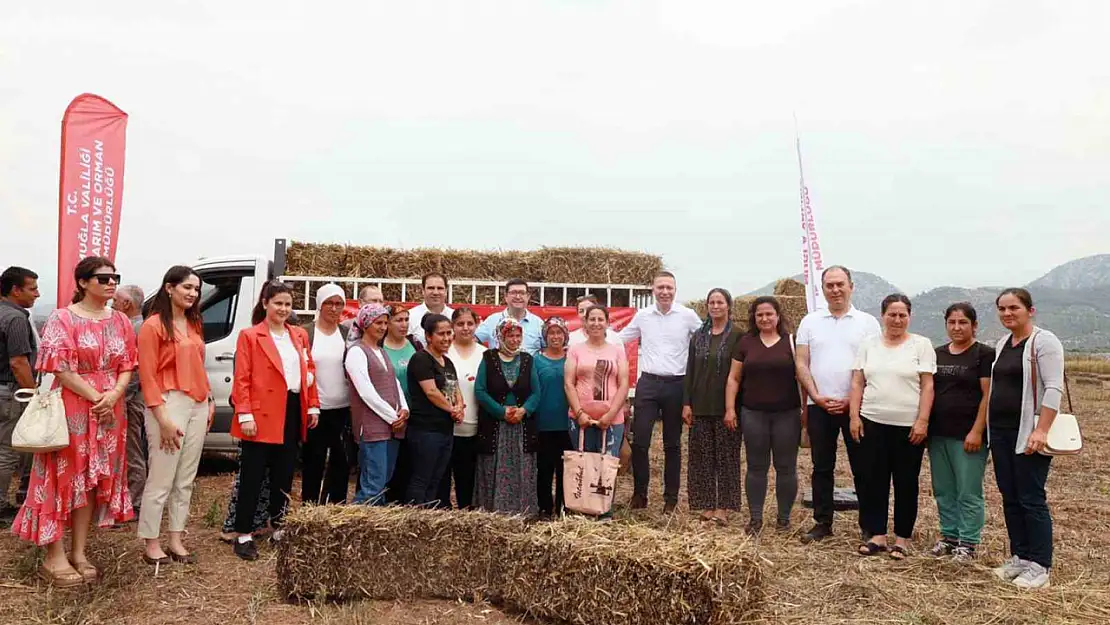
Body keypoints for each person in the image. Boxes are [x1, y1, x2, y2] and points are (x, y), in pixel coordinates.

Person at [12, 257, 137, 587]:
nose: (111, 283)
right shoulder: (62, 318)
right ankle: (54, 555)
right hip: (74, 409)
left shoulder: (122, 321)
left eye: (115, 277)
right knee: (62, 478)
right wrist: (99, 397)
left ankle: (79, 551)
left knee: (92, 481)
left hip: (111, 410)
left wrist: (114, 395)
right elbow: (59, 368)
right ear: (82, 282)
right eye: (103, 278)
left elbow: (128, 363)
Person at [229, 281, 320, 561]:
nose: (283, 309)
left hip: (292, 409)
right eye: (278, 303)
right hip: (261, 412)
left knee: (284, 474)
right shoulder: (250, 336)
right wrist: (245, 414)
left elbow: (309, 371)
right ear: (266, 303)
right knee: (252, 476)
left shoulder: (299, 335)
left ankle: (279, 527)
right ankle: (243, 533)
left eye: (288, 304)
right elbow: (242, 378)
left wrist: (313, 405)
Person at [794, 265, 881, 543]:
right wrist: (816, 396)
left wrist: (852, 400)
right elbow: (801, 362)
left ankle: (869, 525)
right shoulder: (810, 322)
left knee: (864, 466)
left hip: (857, 407)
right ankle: (822, 522)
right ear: (822, 289)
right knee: (822, 466)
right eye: (829, 285)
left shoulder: (867, 323)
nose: (835, 290)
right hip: (820, 405)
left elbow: (873, 364)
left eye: (840, 284)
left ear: (851, 286)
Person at [849, 294, 935, 560]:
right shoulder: (868, 345)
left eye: (902, 315)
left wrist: (922, 421)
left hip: (908, 427)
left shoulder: (921, 345)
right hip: (872, 422)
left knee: (906, 482)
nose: (897, 320)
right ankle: (877, 535)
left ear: (909, 317)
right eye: (892, 314)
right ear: (882, 316)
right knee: (874, 480)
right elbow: (857, 383)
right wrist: (854, 416)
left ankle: (902, 538)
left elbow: (928, 386)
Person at [988, 288, 1064, 590]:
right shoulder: (1003, 343)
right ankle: (1020, 556)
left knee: (1031, 498)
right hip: (1002, 433)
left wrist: (1041, 430)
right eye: (1003, 309)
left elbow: (1053, 388)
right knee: (1010, 497)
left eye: (1014, 308)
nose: (1008, 314)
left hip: (1028, 433)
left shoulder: (1044, 342)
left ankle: (1040, 565)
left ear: (1030, 311)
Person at [136, 266, 212, 565]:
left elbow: (199, 367)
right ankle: (151, 542)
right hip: (167, 405)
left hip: (197, 403)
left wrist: (208, 400)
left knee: (186, 478)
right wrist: (163, 419)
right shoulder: (152, 326)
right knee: (161, 477)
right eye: (187, 287)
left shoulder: (194, 324)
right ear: (169, 288)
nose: (193, 293)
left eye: (196, 289)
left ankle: (176, 538)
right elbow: (147, 376)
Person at [618, 271, 700, 513]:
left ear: (675, 290)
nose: (665, 291)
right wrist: (587, 340)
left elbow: (706, 340)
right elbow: (620, 338)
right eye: (660, 287)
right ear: (653, 289)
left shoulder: (687, 316)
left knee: (672, 445)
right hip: (649, 384)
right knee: (641, 442)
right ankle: (640, 494)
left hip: (677, 384)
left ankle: (671, 499)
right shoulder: (643, 316)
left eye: (669, 287)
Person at [727, 296, 802, 534]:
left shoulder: (792, 342)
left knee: (786, 467)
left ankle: (783, 519)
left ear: (778, 316)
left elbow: (803, 377)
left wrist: (806, 412)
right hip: (753, 414)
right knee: (756, 467)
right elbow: (734, 378)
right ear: (754, 317)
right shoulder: (745, 342)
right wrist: (730, 408)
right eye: (760, 314)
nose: (765, 318)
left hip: (787, 415)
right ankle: (756, 518)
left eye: (769, 314)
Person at [928, 303, 994, 561]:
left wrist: (977, 430)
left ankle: (968, 542)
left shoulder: (983, 354)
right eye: (952, 322)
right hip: (938, 434)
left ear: (974, 326)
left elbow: (987, 396)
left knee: (968, 490)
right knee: (944, 489)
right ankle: (949, 536)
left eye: (963, 322)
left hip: (968, 435)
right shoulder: (937, 354)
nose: (957, 327)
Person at [685, 288, 742, 527]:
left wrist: (734, 407)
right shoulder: (698, 335)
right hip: (699, 406)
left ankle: (724, 506)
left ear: (728, 305)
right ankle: (707, 504)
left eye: (720, 302)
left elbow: (739, 374)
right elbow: (690, 371)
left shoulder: (739, 336)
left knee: (727, 458)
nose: (715, 306)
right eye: (711, 302)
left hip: (726, 407)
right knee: (702, 458)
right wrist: (686, 403)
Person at [565, 305, 630, 514]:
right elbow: (569, 383)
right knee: (584, 463)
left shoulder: (617, 351)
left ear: (607, 323)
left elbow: (624, 383)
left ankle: (604, 511)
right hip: (580, 420)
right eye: (591, 319)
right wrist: (579, 413)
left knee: (606, 465)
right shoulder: (576, 350)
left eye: (600, 319)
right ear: (584, 323)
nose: (595, 323)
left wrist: (610, 415)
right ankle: (581, 508)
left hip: (612, 420)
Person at [475, 318, 542, 515]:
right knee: (494, 466)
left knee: (522, 466)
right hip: (496, 426)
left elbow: (536, 392)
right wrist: (501, 411)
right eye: (510, 335)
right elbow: (480, 390)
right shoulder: (489, 358)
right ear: (500, 337)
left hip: (521, 426)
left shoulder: (528, 360)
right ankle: (494, 512)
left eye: (518, 335)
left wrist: (523, 410)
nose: (514, 340)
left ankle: (523, 512)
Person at [345, 304, 409, 505]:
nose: (382, 327)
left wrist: (404, 409)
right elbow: (366, 392)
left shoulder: (381, 351)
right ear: (365, 325)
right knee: (373, 484)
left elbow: (394, 383)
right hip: (373, 427)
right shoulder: (357, 352)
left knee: (383, 481)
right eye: (377, 323)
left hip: (392, 426)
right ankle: (354, 523)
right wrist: (392, 416)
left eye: (384, 323)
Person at [301, 284, 352, 505]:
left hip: (343, 409)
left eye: (339, 303)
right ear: (319, 305)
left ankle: (335, 508)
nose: (334, 308)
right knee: (314, 460)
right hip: (316, 410)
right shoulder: (306, 333)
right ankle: (310, 506)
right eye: (329, 303)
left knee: (342, 461)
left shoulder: (347, 335)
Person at [405, 314, 464, 504]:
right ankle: (413, 518)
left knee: (435, 479)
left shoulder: (447, 362)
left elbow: (455, 389)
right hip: (425, 430)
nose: (447, 338)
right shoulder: (421, 359)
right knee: (421, 478)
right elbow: (431, 391)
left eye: (449, 333)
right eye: (441, 334)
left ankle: (427, 519)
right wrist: (452, 410)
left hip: (445, 430)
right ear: (429, 336)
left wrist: (459, 408)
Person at [0, 266, 39, 524]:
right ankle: (1, 505)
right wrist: (34, 395)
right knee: (7, 451)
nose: (37, 294)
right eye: (32, 288)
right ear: (16, 290)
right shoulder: (15, 319)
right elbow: (19, 362)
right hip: (10, 392)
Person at [438, 307, 485, 509]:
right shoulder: (443, 351)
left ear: (476, 325)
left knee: (467, 476)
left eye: (469, 324)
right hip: (446, 424)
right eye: (460, 324)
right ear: (452, 326)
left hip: (474, 425)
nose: (465, 328)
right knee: (442, 475)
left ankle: (466, 510)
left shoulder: (485, 353)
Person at [382, 305, 424, 503]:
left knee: (410, 462)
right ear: (387, 322)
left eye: (406, 319)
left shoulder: (414, 344)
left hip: (413, 414)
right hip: (389, 415)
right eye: (399, 320)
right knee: (389, 464)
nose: (404, 324)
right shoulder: (379, 346)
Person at [113, 285, 148, 515]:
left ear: (127, 304)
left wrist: (120, 396)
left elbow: (136, 370)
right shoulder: (136, 326)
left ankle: (135, 501)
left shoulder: (137, 329)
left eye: (115, 300)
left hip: (131, 398)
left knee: (131, 450)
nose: (112, 304)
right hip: (131, 396)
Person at [534, 317, 571, 518]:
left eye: (559, 333)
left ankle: (564, 507)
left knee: (565, 469)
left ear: (565, 335)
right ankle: (545, 508)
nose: (555, 337)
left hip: (568, 423)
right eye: (551, 333)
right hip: (543, 424)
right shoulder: (536, 360)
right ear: (545, 336)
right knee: (544, 469)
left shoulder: (572, 358)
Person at [476, 279, 544, 354]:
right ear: (506, 296)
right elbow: (472, 341)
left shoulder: (538, 323)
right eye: (513, 293)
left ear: (528, 296)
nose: (518, 297)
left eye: (522, 293)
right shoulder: (492, 320)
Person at [407, 273, 454, 345]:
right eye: (431, 288)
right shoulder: (410, 317)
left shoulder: (454, 317)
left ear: (446, 291)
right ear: (423, 291)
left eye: (440, 288)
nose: (435, 292)